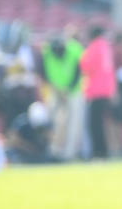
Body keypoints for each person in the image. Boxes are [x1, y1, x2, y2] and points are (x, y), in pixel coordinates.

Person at [39, 34, 84, 161]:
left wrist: (67, 89)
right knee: (51, 120)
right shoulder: (47, 52)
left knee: (73, 122)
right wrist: (57, 89)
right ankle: (52, 151)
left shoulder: (75, 49)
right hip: (55, 90)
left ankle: (69, 153)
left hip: (73, 90)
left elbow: (78, 71)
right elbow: (44, 73)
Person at [79, 25, 116, 159]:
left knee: (94, 124)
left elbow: (86, 66)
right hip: (106, 90)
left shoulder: (94, 47)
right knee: (101, 123)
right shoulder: (105, 47)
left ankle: (98, 152)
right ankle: (103, 151)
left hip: (95, 90)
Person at [5, 101, 55, 165]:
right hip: (21, 154)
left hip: (40, 155)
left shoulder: (46, 123)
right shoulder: (22, 122)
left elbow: (52, 137)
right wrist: (27, 147)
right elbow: (12, 140)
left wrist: (45, 135)